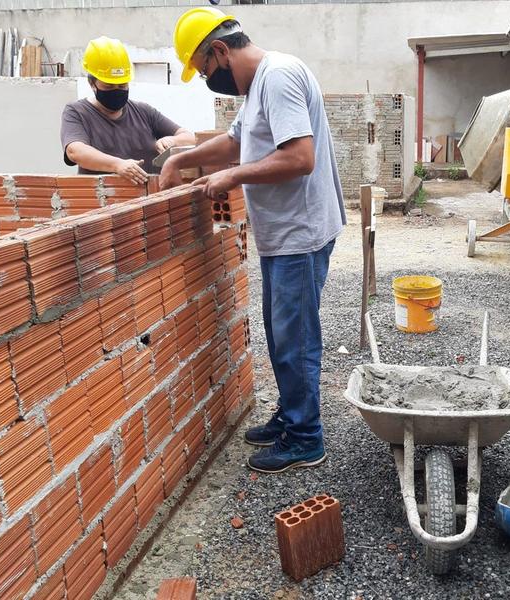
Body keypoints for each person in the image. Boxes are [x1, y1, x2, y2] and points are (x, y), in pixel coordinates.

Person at [161, 7, 346, 473]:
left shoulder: (278, 77)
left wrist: (231, 178)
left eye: (205, 69)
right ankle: (291, 416)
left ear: (220, 51)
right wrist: (179, 160)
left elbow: (299, 158)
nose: (208, 79)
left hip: (299, 235)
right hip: (283, 235)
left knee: (295, 338)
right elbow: (235, 141)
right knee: (281, 333)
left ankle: (306, 437)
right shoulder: (258, 85)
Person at [61, 36, 195, 185]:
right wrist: (117, 165)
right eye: (109, 86)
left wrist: (173, 140)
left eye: (122, 86)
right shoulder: (77, 112)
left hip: (148, 201)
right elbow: (75, 151)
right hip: (103, 202)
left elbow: (189, 137)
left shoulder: (143, 112)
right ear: (92, 83)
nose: (116, 91)